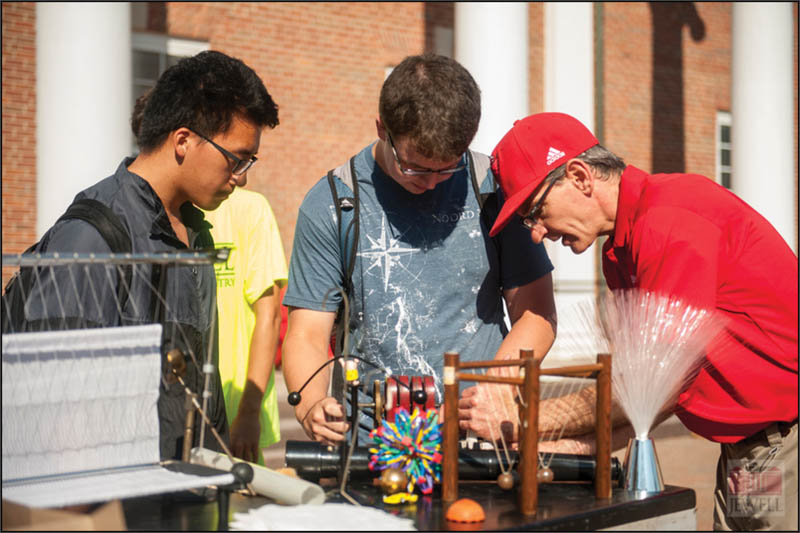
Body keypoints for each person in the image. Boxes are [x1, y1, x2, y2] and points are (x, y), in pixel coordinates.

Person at [488, 111, 798, 531]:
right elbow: (646, 397)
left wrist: (521, 423)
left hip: (784, 439)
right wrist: (563, 446)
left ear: (580, 176)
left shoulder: (669, 220)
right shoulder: (619, 250)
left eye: (536, 210)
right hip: (752, 449)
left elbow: (659, 377)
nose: (537, 233)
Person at [281, 53, 557, 446]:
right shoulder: (333, 204)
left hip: (481, 440)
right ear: (382, 128)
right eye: (415, 168)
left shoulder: (492, 190)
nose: (431, 184)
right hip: (372, 446)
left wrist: (490, 392)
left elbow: (537, 314)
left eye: (447, 168)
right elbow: (306, 334)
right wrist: (311, 404)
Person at [16, 50, 280, 460]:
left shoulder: (198, 234)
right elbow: (54, 412)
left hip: (189, 495)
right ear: (183, 141)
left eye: (249, 161)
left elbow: (194, 391)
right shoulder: (92, 236)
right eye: (236, 159)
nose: (241, 178)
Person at [203, 187, 288, 464]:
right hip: (178, 411)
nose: (243, 174)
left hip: (235, 412)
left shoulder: (250, 208)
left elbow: (270, 315)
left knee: (237, 503)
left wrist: (249, 411)